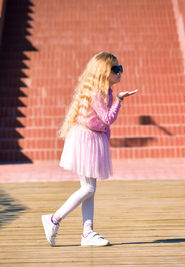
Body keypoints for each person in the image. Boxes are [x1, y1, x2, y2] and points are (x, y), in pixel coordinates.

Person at [41, 51, 138, 247]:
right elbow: (108, 119)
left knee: (90, 189)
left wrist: (106, 140)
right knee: (88, 188)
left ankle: (87, 233)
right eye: (116, 69)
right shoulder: (97, 92)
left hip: (94, 139)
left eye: (121, 69)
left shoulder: (106, 92)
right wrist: (120, 101)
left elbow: (105, 125)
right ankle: (54, 219)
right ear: (104, 72)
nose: (120, 72)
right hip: (85, 139)